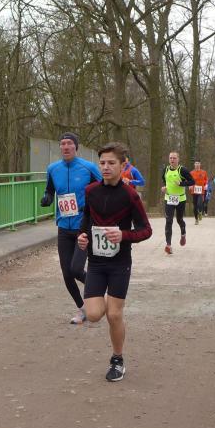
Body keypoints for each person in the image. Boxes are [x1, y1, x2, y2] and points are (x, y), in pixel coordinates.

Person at [77, 142, 152, 382]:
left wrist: (124, 235)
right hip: (96, 262)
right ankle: (99, 305)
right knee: (94, 314)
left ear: (123, 165)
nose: (106, 167)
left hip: (120, 263)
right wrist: (82, 236)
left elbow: (146, 230)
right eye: (102, 163)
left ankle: (117, 360)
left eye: (111, 163)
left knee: (114, 314)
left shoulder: (130, 195)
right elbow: (86, 219)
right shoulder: (91, 191)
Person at [41, 132, 103, 324]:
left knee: (76, 269)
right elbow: (50, 190)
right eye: (63, 144)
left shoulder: (88, 167)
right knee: (67, 273)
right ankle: (82, 308)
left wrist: (95, 208)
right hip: (63, 226)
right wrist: (47, 198)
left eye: (69, 143)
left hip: (83, 226)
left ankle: (99, 291)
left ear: (76, 147)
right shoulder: (53, 169)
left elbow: (103, 189)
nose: (66, 147)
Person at [161, 151, 194, 254]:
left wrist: (181, 184)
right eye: (170, 158)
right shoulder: (165, 170)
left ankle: (183, 234)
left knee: (179, 219)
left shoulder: (182, 170)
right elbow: (164, 181)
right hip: (169, 198)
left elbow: (192, 181)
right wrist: (164, 187)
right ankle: (168, 245)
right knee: (168, 220)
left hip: (180, 199)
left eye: (174, 158)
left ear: (178, 159)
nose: (172, 160)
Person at [189, 161, 209, 225]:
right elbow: (189, 180)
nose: (197, 165)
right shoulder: (191, 172)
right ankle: (196, 219)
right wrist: (190, 185)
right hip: (194, 190)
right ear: (194, 165)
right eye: (196, 163)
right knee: (195, 205)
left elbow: (206, 179)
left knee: (200, 203)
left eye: (198, 163)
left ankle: (200, 212)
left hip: (201, 190)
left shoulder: (204, 172)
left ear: (200, 164)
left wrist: (206, 185)